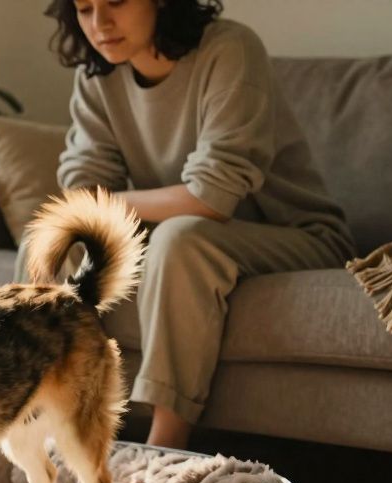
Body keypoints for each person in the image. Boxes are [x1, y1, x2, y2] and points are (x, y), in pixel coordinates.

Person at [43, 0, 354, 449]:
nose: (99, 24)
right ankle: (49, 430)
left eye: (115, 2)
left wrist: (105, 203)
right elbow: (81, 189)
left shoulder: (231, 49)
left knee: (181, 238)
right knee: (58, 234)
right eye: (85, 8)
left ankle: (165, 447)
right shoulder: (99, 72)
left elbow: (212, 198)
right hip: (188, 232)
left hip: (298, 236)